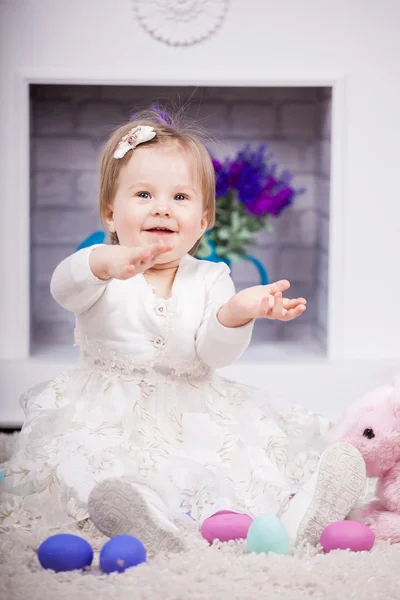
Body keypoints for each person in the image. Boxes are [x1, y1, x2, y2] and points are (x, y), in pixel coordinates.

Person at [0, 108, 366, 554]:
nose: (162, 208)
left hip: (195, 412)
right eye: (143, 194)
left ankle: (296, 510)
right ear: (110, 214)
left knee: (234, 465)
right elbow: (64, 287)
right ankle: (143, 513)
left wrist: (236, 312)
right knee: (95, 467)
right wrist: (101, 262)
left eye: (180, 198)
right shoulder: (101, 273)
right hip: (111, 414)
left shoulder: (211, 277)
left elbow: (213, 353)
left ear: (204, 221)